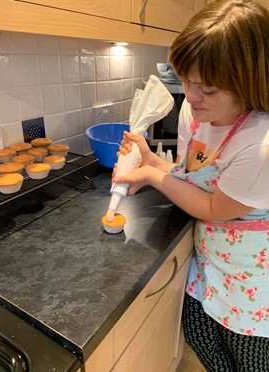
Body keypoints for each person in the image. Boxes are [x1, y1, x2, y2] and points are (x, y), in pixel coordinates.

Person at [113, 1, 269, 371]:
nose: (192, 96)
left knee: (249, 358)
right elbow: (192, 175)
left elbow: (217, 208)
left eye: (209, 90)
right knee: (198, 330)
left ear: (250, 84)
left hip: (252, 277)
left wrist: (153, 176)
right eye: (186, 81)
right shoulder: (195, 114)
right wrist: (151, 159)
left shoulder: (260, 142)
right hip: (211, 260)